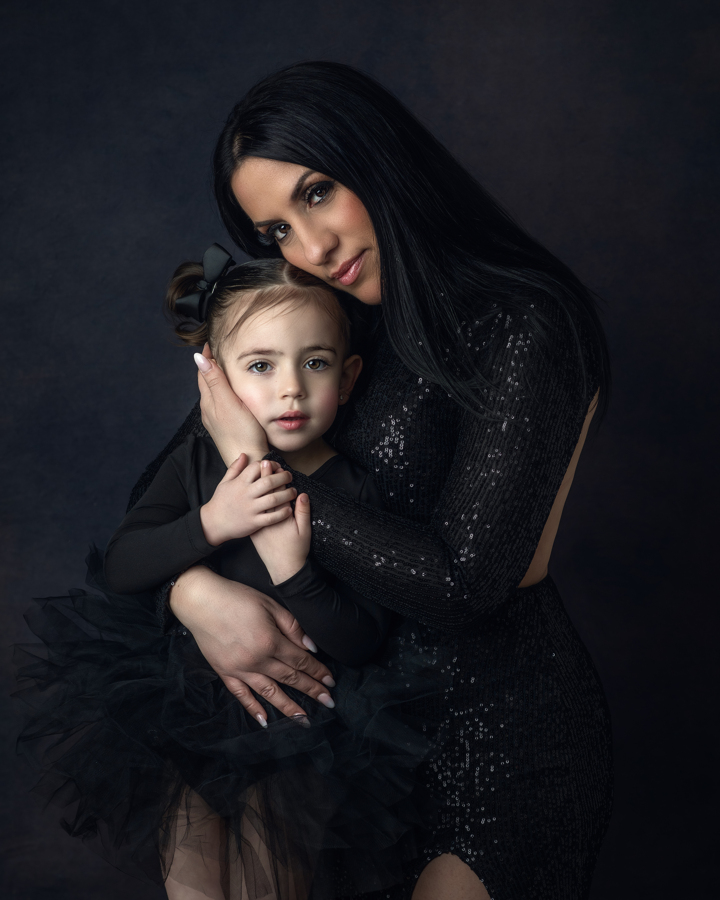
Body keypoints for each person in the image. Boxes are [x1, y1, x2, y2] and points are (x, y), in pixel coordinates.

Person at [131, 61, 613, 900]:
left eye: (316, 194)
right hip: (336, 741)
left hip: (492, 733)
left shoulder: (525, 320)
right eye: (275, 232)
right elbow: (167, 495)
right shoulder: (322, 322)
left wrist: (266, 466)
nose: (310, 249)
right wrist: (193, 595)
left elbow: (461, 583)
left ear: (376, 161)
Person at [17, 250, 442, 900]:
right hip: (189, 707)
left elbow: (363, 639)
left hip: (298, 732)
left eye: (316, 362)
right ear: (214, 377)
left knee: (269, 887)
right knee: (192, 886)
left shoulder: (352, 490)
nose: (291, 388)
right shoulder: (194, 465)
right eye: (261, 366)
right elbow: (125, 566)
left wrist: (292, 570)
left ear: (350, 376)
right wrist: (212, 522)